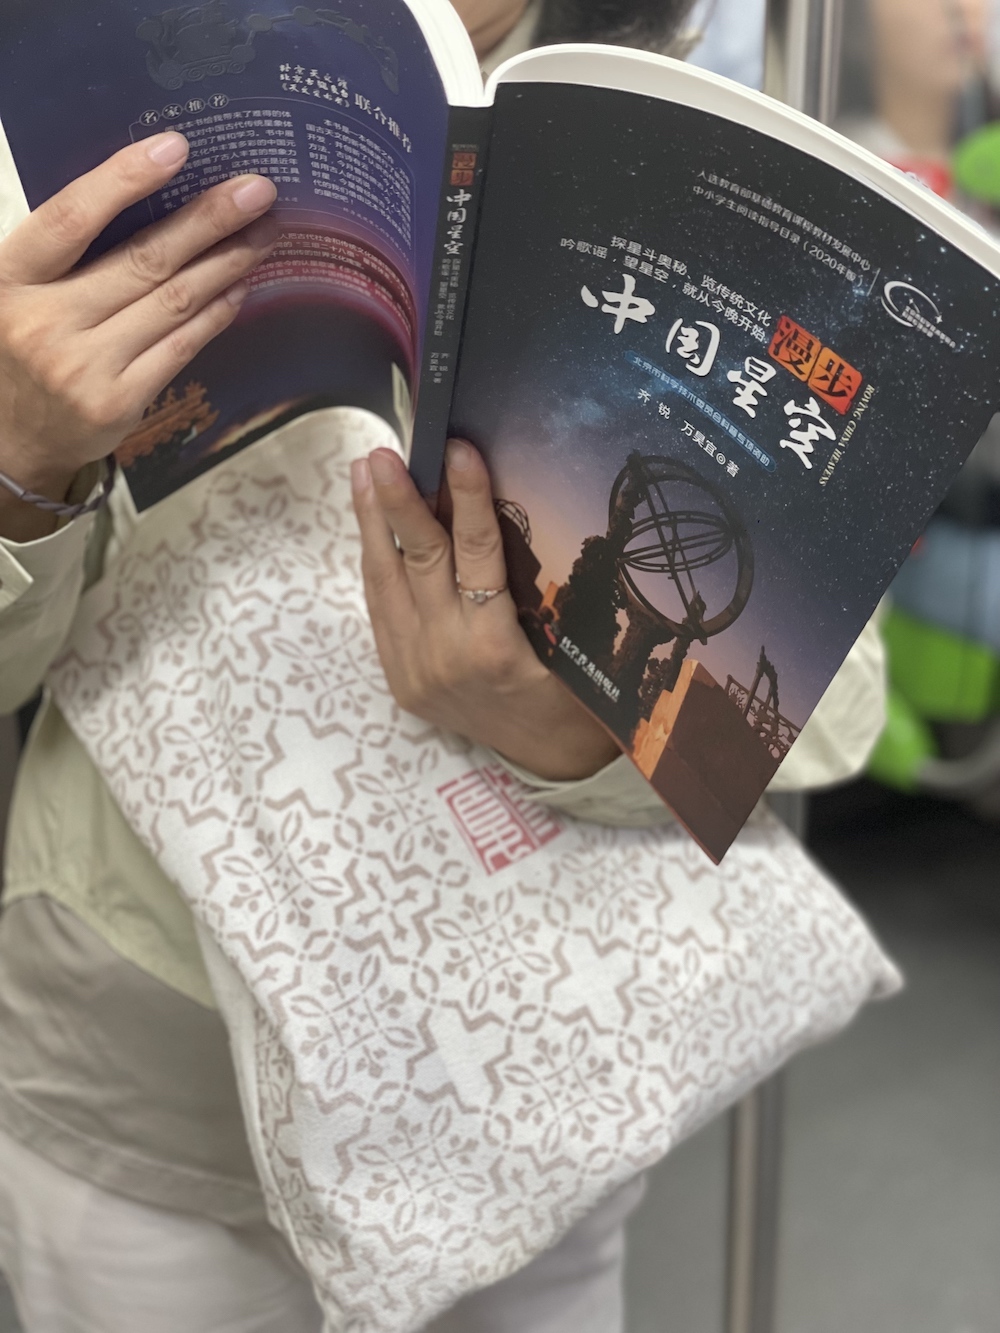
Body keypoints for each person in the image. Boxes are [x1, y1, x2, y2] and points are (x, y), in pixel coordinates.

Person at [0, 1, 887, 1329]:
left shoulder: (664, 121)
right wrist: (22, 463)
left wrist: (583, 731)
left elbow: (831, 691)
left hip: (531, 1064)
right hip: (157, 1074)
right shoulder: (61, 86)